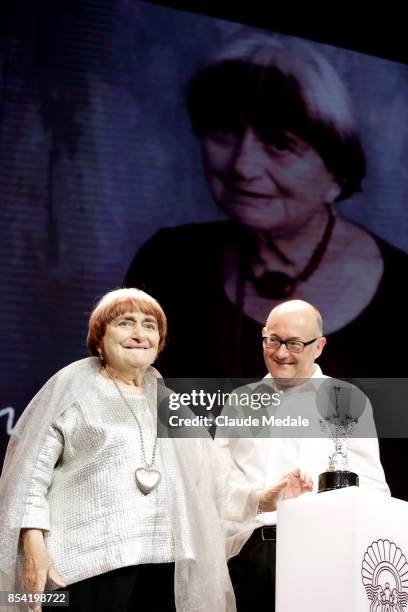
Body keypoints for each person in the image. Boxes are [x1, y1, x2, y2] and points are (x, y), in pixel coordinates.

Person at [0, 288, 313, 612]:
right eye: (125, 323)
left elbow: (210, 484)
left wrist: (263, 498)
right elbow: (29, 479)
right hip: (84, 569)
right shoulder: (73, 388)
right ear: (99, 337)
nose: (139, 334)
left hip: (164, 569)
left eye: (149, 325)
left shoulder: (170, 404)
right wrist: (33, 543)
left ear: (160, 341)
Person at [125, 31, 408, 379]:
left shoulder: (402, 292)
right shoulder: (167, 263)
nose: (243, 166)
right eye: (225, 133)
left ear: (337, 170)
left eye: (279, 144)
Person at [216, 299, 390, 611]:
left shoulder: (346, 401)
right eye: (274, 341)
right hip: (248, 555)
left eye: (295, 344)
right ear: (264, 336)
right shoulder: (239, 403)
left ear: (319, 346)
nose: (281, 353)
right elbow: (215, 488)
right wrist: (261, 497)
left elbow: (373, 491)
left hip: (321, 552)